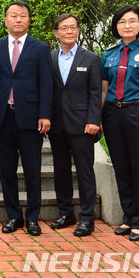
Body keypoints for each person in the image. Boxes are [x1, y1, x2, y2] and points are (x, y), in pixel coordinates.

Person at [0, 1, 52, 236]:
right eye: (13, 15)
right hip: (4, 117)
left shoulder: (40, 48)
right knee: (6, 170)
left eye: (22, 15)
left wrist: (45, 114)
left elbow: (46, 85)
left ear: (29, 20)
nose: (18, 19)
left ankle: (33, 218)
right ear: (5, 20)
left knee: (32, 170)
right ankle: (14, 216)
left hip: (30, 119)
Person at [101, 4, 139, 242]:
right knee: (121, 167)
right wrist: (100, 116)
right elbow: (105, 88)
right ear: (116, 27)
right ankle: (128, 217)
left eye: (132, 21)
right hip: (113, 115)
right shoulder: (109, 53)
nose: (127, 26)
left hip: (138, 113)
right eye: (122, 22)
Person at [48, 13, 101, 237]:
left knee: (85, 172)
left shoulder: (90, 58)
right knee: (61, 172)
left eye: (73, 27)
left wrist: (93, 120)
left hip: (82, 125)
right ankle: (66, 213)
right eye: (64, 28)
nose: (69, 31)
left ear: (78, 30)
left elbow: (96, 92)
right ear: (56, 33)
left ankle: (87, 218)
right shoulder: (49, 59)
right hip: (57, 126)